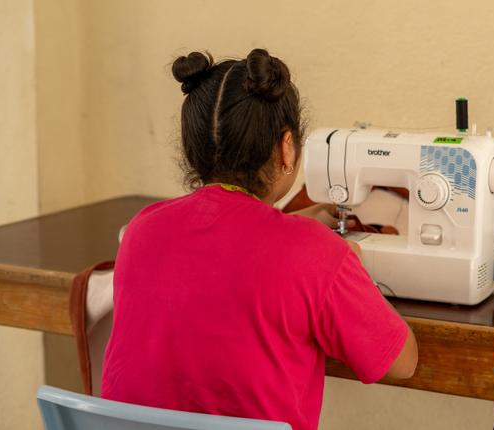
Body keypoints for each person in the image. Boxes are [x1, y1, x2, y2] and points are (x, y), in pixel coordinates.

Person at [101, 48, 418, 430]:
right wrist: (348, 264)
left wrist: (305, 228)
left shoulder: (141, 229)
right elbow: (403, 363)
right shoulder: (317, 254)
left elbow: (223, 244)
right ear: (287, 148)